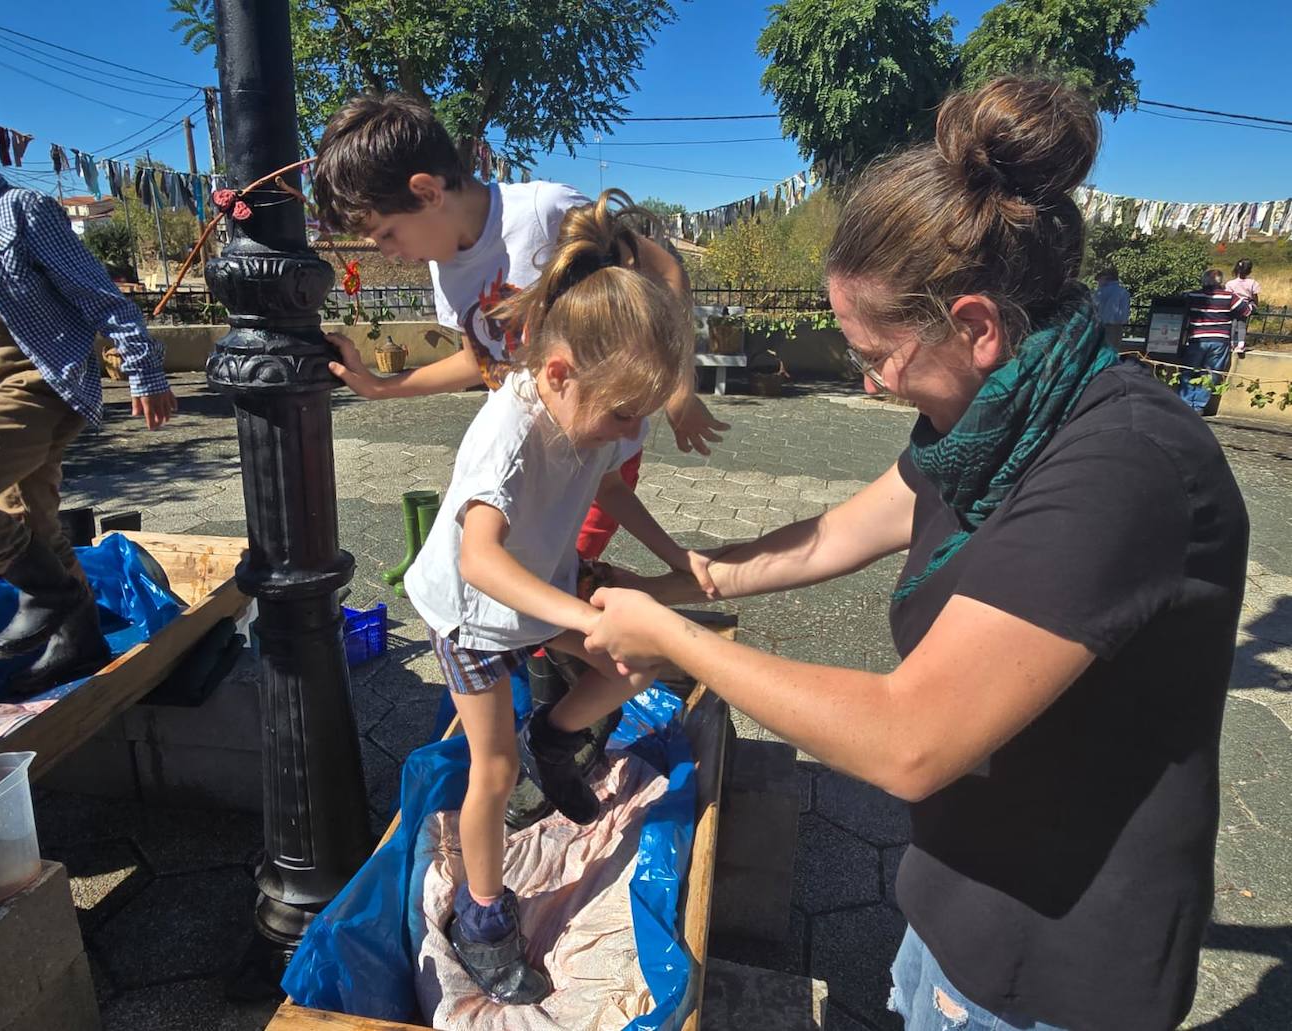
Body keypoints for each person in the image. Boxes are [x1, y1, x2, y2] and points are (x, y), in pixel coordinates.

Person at [586, 77, 1248, 1031]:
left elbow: (909, 739)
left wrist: (676, 639)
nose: (866, 377)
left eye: (878, 351)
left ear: (975, 325)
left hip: (1052, 955)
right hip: (957, 893)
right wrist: (683, 578)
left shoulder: (1120, 469)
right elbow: (845, 530)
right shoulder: (990, 425)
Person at [395, 192, 712, 1003]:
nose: (622, 432)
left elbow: (614, 482)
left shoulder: (603, 405)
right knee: (491, 771)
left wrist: (679, 556)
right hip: (471, 611)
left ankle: (560, 734)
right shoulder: (509, 428)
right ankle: (483, 914)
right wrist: (584, 616)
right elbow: (479, 560)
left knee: (652, 652)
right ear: (560, 372)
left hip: (546, 586)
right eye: (618, 415)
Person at [308, 92, 729, 566]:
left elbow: (667, 270)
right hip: (525, 458)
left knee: (555, 583)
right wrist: (383, 389)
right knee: (533, 588)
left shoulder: (543, 211)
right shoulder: (442, 264)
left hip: (600, 447)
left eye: (386, 234)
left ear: (426, 192)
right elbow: (480, 361)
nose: (387, 252)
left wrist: (678, 389)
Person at [0, 94, 177, 693]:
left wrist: (145, 371)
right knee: (35, 526)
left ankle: (47, 590)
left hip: (42, 386)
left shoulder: (21, 211)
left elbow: (101, 298)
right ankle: (79, 638)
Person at [1181, 267, 1253, 413]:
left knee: (1188, 371)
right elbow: (1247, 311)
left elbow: (1180, 304)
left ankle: (1185, 404)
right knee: (1211, 374)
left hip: (1196, 339)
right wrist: (1252, 302)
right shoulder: (1229, 296)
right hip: (1219, 340)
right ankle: (1199, 407)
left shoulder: (1193, 295)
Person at [1225, 258, 1260, 354]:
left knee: (1232, 325)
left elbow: (1228, 296)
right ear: (1249, 270)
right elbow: (1255, 296)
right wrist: (1256, 306)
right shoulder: (1252, 283)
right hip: (1246, 306)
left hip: (1233, 306)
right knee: (1242, 325)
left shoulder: (1230, 283)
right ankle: (1241, 345)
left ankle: (1230, 343)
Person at [1092, 266, 1130, 349]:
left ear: (1106, 278)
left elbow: (1093, 309)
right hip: (1117, 327)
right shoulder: (1123, 292)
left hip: (1101, 326)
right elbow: (1124, 313)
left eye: (1099, 280)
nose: (1098, 283)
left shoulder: (1099, 292)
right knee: (1114, 350)